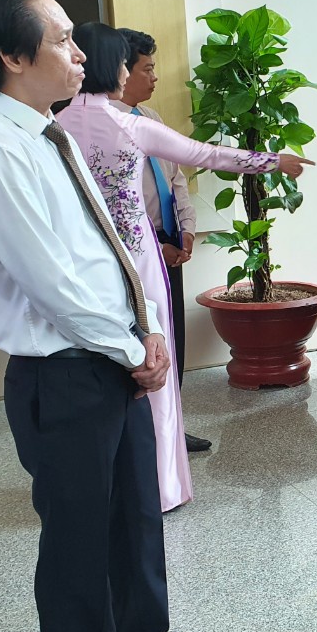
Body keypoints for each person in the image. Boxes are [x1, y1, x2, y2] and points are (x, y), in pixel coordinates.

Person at [0, 0, 224, 632]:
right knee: (76, 540)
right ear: (12, 56)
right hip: (64, 373)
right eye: (63, 39)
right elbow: (53, 284)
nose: (81, 53)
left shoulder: (54, 130)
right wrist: (134, 348)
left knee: (136, 510)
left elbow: (109, 244)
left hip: (113, 354)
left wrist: (149, 328)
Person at [55, 22, 312, 513]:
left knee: (98, 368)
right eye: (126, 64)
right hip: (137, 259)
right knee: (155, 361)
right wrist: (273, 161)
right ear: (112, 66)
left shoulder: (55, 126)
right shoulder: (129, 125)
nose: (128, 72)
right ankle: (159, 486)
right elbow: (205, 154)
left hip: (82, 262)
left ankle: (104, 487)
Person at [114, 28, 212, 454]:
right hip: (137, 248)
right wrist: (156, 247)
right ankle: (145, 433)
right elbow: (115, 208)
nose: (155, 77)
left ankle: (171, 426)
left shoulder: (151, 119)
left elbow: (176, 179)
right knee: (145, 338)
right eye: (147, 69)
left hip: (169, 240)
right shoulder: (105, 128)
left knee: (173, 336)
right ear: (121, 71)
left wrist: (186, 230)